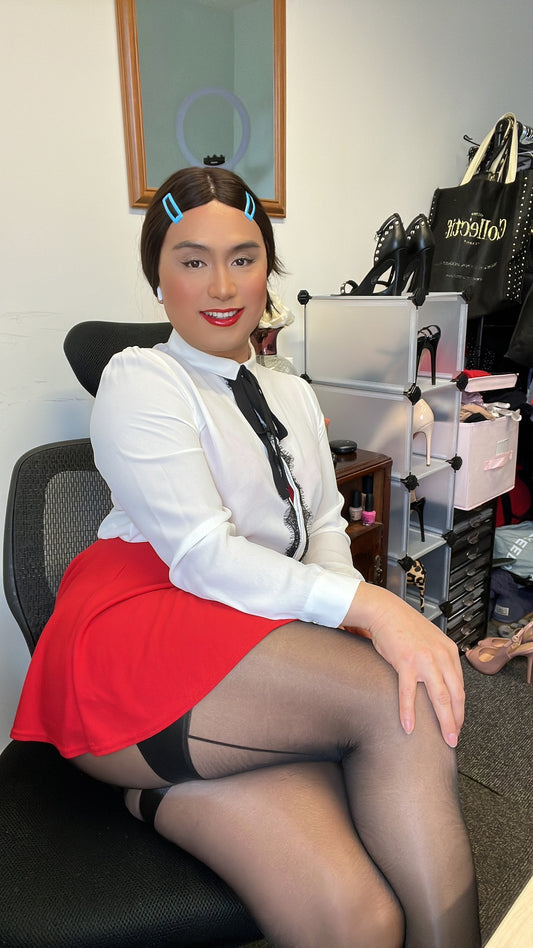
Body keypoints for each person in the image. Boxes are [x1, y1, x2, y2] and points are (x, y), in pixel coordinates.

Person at [11, 166, 481, 948]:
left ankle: (166, 794)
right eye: (191, 260)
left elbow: (325, 524)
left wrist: (344, 615)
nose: (221, 283)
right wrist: (374, 611)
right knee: (398, 702)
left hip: (239, 650)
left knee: (359, 921)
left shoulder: (289, 392)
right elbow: (200, 556)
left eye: (244, 256)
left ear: (269, 269)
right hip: (138, 634)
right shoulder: (141, 378)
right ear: (156, 278)